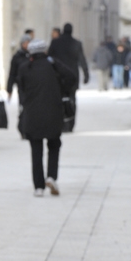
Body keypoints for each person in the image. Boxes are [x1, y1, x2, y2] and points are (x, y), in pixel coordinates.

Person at [17, 39, 77, 197]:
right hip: (53, 112)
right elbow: (71, 77)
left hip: (32, 114)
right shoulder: (52, 65)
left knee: (36, 150)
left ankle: (38, 187)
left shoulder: (25, 67)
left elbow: (21, 88)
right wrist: (61, 90)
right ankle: (51, 177)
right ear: (45, 51)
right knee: (54, 145)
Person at [48, 23, 88, 131]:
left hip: (58, 76)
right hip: (72, 76)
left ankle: (60, 123)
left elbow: (49, 58)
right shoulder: (77, 43)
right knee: (72, 99)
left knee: (58, 99)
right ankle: (70, 123)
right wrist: (86, 74)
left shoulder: (55, 42)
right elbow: (82, 60)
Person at [7, 34, 32, 138]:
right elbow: (12, 73)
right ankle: (22, 129)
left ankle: (30, 129)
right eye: (26, 42)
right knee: (23, 108)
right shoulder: (17, 57)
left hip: (33, 86)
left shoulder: (33, 55)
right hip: (22, 87)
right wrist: (9, 89)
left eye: (29, 42)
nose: (27, 44)